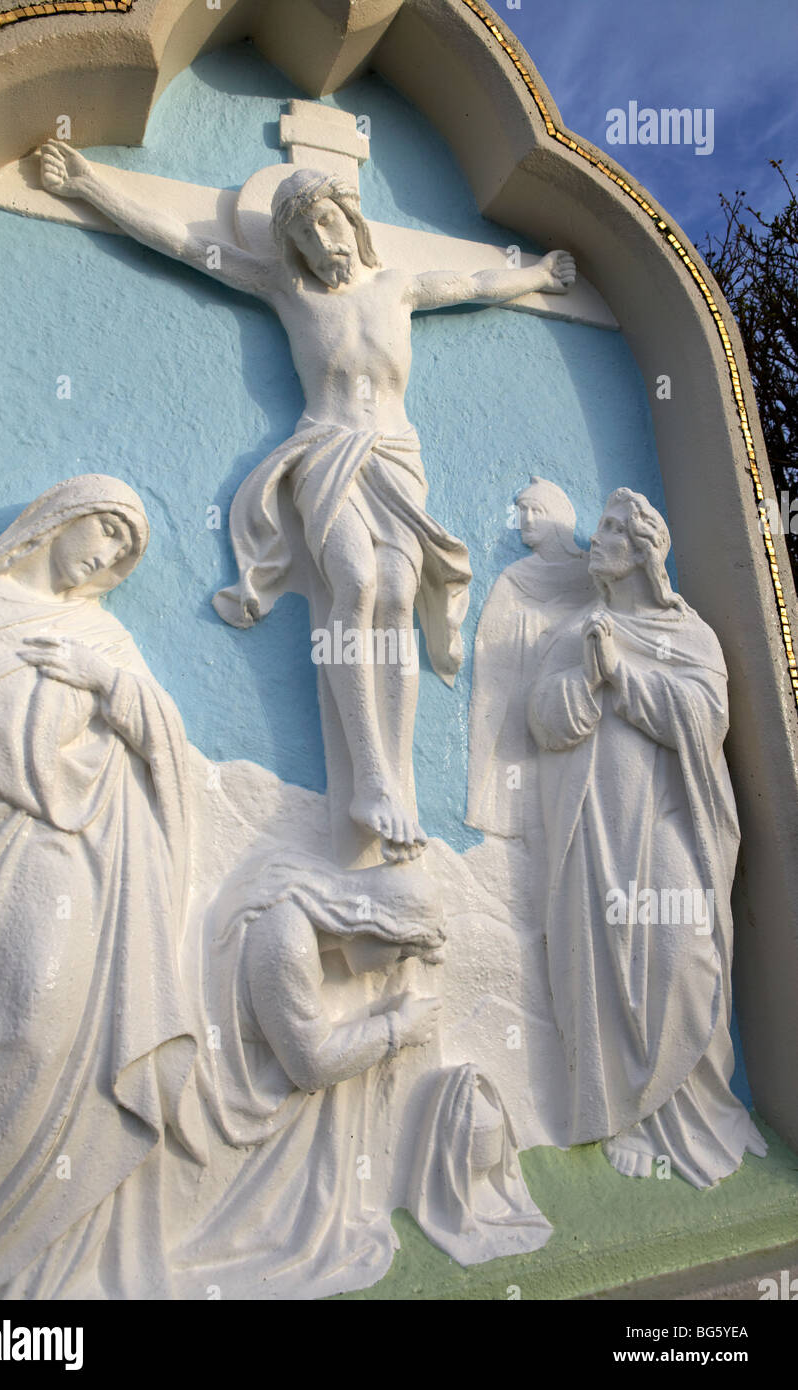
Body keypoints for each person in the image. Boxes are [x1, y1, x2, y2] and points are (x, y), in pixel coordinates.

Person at [39, 144, 576, 861]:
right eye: (304, 235)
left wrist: (536, 274)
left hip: (395, 459)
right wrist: (89, 184)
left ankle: (398, 775)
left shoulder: (399, 289)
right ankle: (373, 778)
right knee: (354, 582)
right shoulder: (286, 290)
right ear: (290, 247)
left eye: (328, 223)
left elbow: (477, 280)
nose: (323, 243)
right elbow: (184, 242)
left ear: (351, 220)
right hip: (327, 453)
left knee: (396, 596)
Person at [0, 475, 206, 1298]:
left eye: (125, 550)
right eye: (103, 531)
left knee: (47, 1029)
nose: (107, 554)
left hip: (84, 861)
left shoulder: (101, 636)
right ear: (57, 518)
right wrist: (44, 744)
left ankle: (3, 1248)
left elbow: (166, 741)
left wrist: (102, 680)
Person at [174, 852, 551, 1299]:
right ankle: (277, 1227)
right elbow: (311, 1066)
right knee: (335, 1096)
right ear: (374, 924)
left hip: (239, 1063)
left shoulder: (292, 889)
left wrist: (374, 1021)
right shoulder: (286, 941)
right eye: (399, 952)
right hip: (225, 1103)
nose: (393, 967)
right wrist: (396, 1029)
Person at [527, 488, 766, 1185]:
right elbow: (546, 719)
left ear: (641, 551)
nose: (594, 540)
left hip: (668, 821)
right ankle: (626, 1117)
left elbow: (706, 718)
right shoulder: (571, 632)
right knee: (601, 965)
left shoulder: (688, 634)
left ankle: (698, 1104)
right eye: (598, 527)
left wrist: (619, 676)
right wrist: (581, 685)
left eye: (608, 529)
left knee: (683, 950)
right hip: (593, 823)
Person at [467, 476, 592, 839]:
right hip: (522, 696)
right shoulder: (514, 577)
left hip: (572, 700)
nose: (527, 520)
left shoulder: (589, 572)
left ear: (558, 516)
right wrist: (532, 625)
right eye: (522, 512)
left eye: (536, 511)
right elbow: (490, 646)